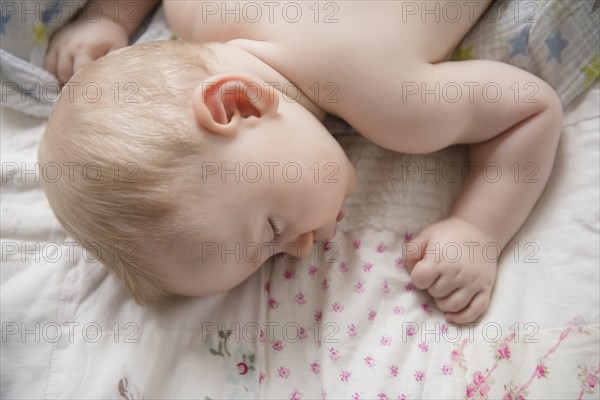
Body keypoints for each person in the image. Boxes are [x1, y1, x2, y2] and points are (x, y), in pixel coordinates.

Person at [38, 0, 563, 324]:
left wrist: (477, 229)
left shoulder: (398, 106)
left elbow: (532, 110)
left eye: (271, 230)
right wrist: (109, 17)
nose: (302, 249)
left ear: (239, 104)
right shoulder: (192, 10)